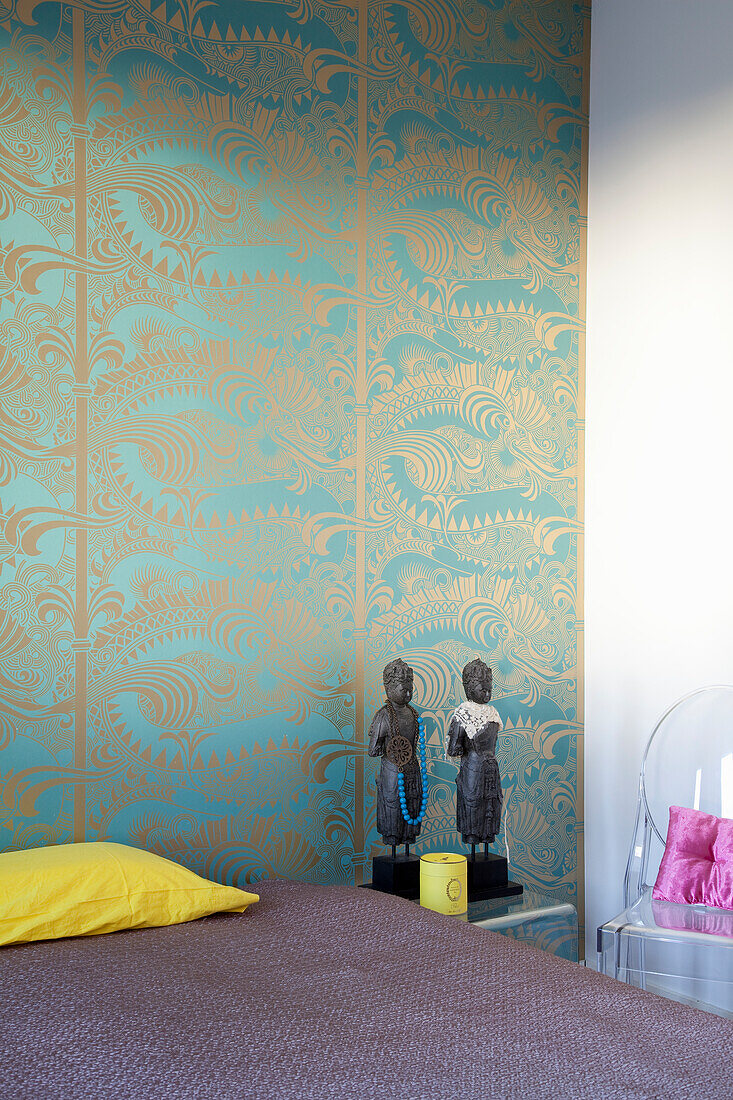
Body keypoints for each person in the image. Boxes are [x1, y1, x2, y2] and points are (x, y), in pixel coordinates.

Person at [447, 658, 503, 854]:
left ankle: (482, 836)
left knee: (485, 803)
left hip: (478, 767)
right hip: (484, 767)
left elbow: (453, 749)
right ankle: (478, 837)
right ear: (470, 689)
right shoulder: (466, 713)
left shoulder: (474, 714)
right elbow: (455, 748)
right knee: (480, 803)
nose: (487, 694)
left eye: (489, 690)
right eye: (483, 690)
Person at [367, 658, 423, 855]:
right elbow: (373, 750)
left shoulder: (414, 714)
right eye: (403, 690)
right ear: (389, 688)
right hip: (395, 772)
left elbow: (375, 749)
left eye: (410, 690)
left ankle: (405, 840)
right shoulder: (384, 715)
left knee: (411, 806)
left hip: (408, 771)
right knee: (394, 809)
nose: (408, 694)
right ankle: (394, 839)